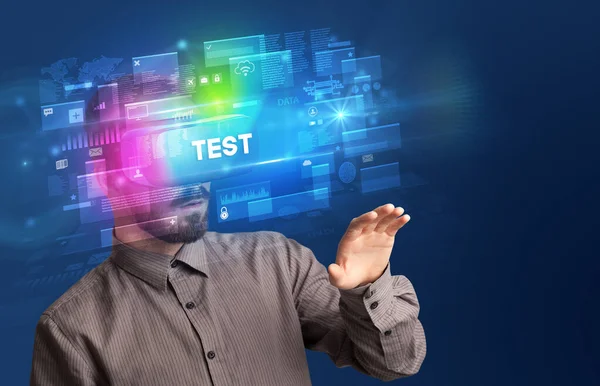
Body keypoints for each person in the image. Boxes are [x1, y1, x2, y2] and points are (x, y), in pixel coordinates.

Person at [30, 91, 426, 385]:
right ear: (104, 176)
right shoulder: (70, 329)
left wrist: (368, 288)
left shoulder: (278, 260)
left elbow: (394, 362)